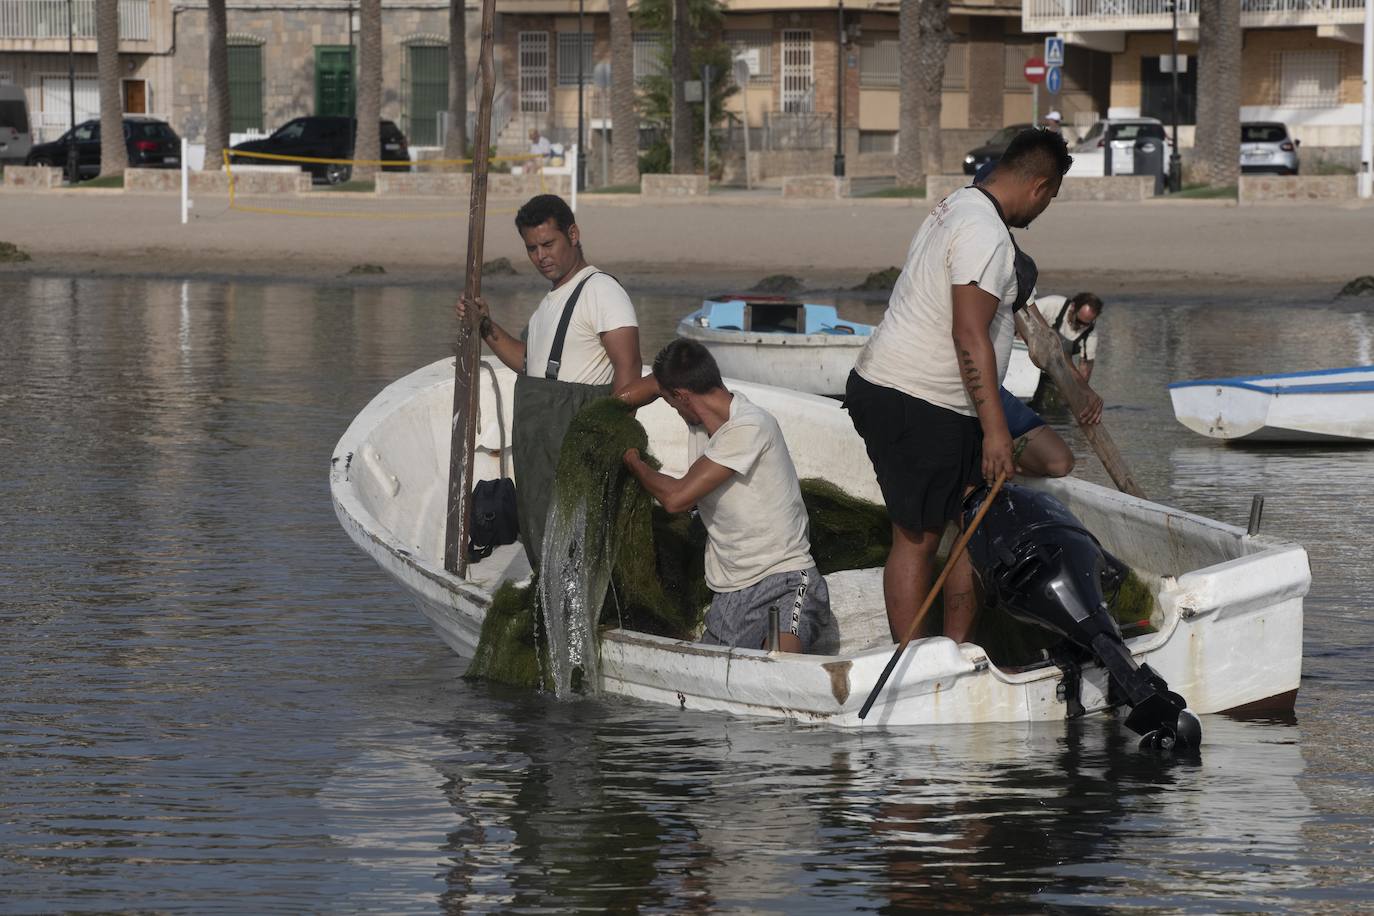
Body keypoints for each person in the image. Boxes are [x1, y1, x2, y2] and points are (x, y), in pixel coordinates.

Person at [844, 128, 1072, 645]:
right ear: (1038, 186)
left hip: (938, 401)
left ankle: (958, 651)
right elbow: (968, 333)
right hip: (911, 396)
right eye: (1050, 199)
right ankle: (918, 660)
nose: (1042, 212)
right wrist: (996, 432)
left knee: (973, 528)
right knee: (919, 538)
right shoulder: (985, 233)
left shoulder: (959, 204)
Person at [455, 194, 641, 566]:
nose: (541, 256)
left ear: (573, 234)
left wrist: (611, 442)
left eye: (548, 244)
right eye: (532, 248)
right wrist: (485, 326)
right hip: (540, 452)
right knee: (546, 543)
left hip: (576, 447)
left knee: (576, 546)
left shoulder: (601, 291)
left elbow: (629, 368)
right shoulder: (549, 304)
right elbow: (530, 364)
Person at [619, 340, 834, 654]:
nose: (673, 410)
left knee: (779, 666)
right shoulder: (699, 417)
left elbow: (676, 499)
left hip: (786, 581)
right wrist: (607, 416)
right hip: (730, 595)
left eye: (670, 402)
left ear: (682, 396)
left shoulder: (750, 426)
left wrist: (633, 462)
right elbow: (648, 387)